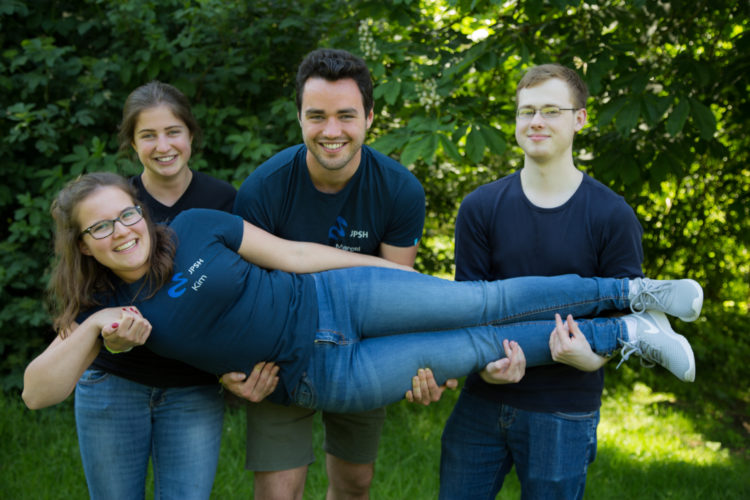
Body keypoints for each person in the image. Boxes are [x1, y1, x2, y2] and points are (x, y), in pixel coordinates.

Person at [23, 172, 700, 421]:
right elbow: (36, 392)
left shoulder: (195, 228)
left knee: (481, 303)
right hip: (320, 376)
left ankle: (635, 290)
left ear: (140, 211)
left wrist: (394, 275)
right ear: (82, 245)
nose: (121, 230)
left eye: (125, 214)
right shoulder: (98, 312)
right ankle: (633, 336)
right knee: (475, 346)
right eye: (100, 228)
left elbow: (291, 255)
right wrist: (92, 330)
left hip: (336, 297)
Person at [219, 47, 449, 500]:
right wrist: (231, 370)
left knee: (354, 485)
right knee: (277, 493)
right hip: (278, 354)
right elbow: (241, 297)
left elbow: (398, 295)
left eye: (346, 115)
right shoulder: (263, 190)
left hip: (361, 349)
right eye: (317, 116)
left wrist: (427, 361)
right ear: (300, 118)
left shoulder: (400, 190)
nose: (331, 131)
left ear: (369, 117)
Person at [37, 81, 274, 500]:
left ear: (191, 134)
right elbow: (85, 296)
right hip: (114, 385)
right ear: (131, 142)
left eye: (173, 131)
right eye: (148, 135)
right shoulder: (111, 205)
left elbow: (248, 294)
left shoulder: (223, 199)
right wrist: (105, 336)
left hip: (193, 389)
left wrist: (235, 368)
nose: (163, 145)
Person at [439, 64, 652, 499]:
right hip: (483, 399)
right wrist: (486, 368)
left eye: (551, 110)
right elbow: (468, 306)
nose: (536, 121)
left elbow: (627, 321)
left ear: (580, 119)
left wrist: (589, 359)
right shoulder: (480, 208)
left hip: (564, 408)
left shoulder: (611, 215)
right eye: (526, 111)